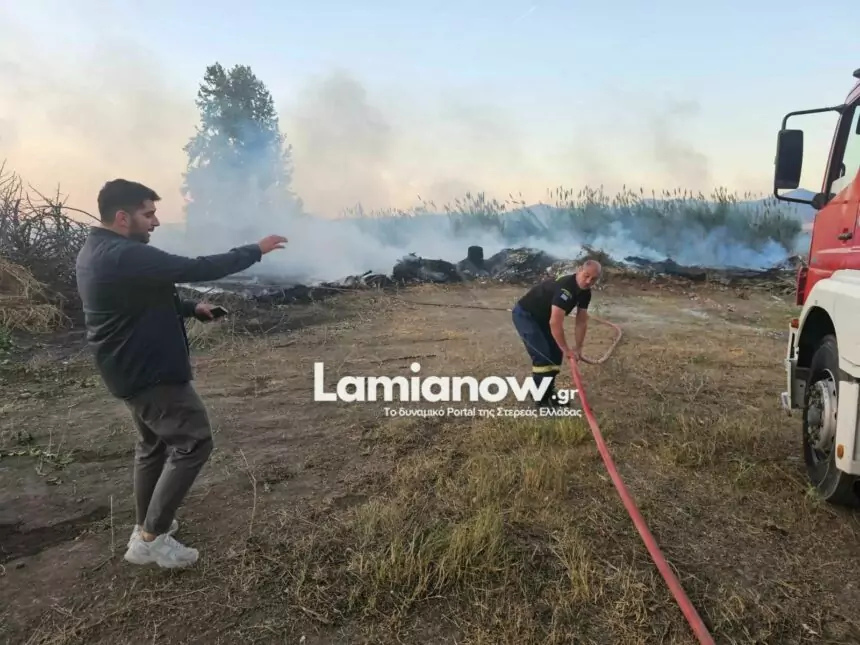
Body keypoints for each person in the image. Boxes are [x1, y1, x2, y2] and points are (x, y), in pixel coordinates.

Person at [75, 178, 288, 569]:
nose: (156, 222)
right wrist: (255, 250)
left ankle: (146, 525)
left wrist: (192, 309)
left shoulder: (98, 250)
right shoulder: (124, 254)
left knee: (153, 446)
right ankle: (151, 539)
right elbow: (196, 267)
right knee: (194, 442)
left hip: (126, 369)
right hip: (151, 373)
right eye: (148, 214)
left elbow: (141, 296)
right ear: (122, 217)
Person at [511, 260, 601, 407]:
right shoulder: (565, 289)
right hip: (527, 315)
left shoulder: (586, 292)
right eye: (586, 276)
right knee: (543, 356)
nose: (588, 282)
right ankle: (540, 398)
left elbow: (581, 321)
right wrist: (566, 349)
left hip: (543, 318)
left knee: (555, 354)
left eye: (593, 279)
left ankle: (548, 392)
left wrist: (578, 348)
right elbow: (555, 323)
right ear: (579, 270)